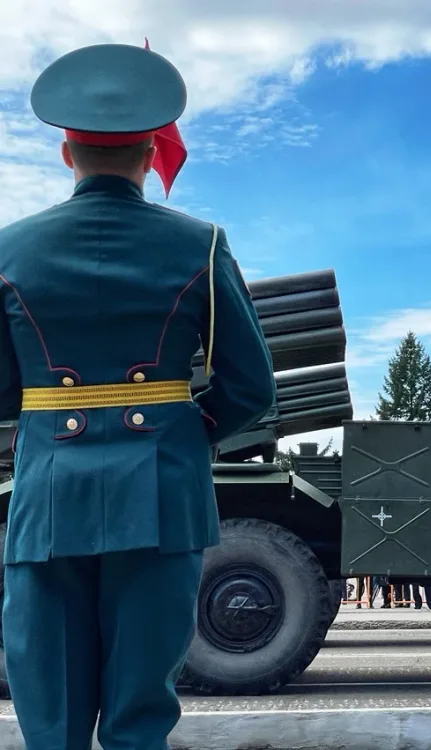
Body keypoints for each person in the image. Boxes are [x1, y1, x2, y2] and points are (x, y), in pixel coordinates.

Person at [0, 43, 276, 749]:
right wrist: (178, 434)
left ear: (66, 153)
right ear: (153, 152)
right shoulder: (201, 244)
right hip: (163, 499)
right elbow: (250, 386)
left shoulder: (8, 251)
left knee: (51, 717)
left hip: (47, 499)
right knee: (140, 717)